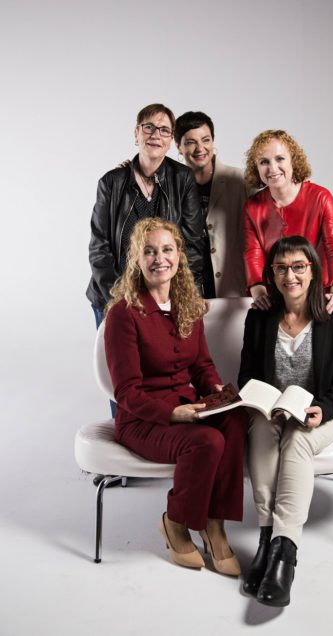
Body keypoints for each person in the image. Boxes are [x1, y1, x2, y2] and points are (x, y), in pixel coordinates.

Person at [238, 235, 333, 607]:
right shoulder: (259, 317)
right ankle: (266, 539)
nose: (290, 276)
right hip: (275, 410)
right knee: (262, 432)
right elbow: (247, 377)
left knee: (298, 438)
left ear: (314, 271)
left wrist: (323, 410)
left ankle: (284, 553)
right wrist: (260, 402)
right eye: (281, 268)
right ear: (272, 273)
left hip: (321, 414)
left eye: (299, 267)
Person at [104, 218, 248, 575]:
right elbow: (126, 393)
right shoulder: (124, 314)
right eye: (149, 251)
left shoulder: (187, 304)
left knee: (236, 420)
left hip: (188, 408)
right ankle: (176, 522)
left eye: (167, 249)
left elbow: (201, 365)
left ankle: (215, 525)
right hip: (142, 420)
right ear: (137, 259)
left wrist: (215, 389)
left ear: (179, 255)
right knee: (206, 442)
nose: (159, 259)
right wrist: (173, 415)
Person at [86, 103, 204, 328]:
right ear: (136, 133)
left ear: (170, 140)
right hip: (113, 296)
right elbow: (99, 249)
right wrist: (120, 298)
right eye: (148, 127)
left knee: (162, 362)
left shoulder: (183, 179)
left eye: (164, 130)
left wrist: (185, 295)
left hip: (165, 298)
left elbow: (192, 244)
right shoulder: (111, 182)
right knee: (117, 362)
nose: (155, 135)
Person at [243, 129, 333, 314]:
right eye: (264, 162)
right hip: (275, 295)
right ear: (256, 168)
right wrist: (258, 291)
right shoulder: (253, 206)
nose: (272, 168)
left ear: (293, 160)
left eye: (280, 159)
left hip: (318, 292)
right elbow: (253, 252)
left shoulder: (321, 197)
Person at [174, 111, 247, 298]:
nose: (200, 148)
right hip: (187, 287)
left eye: (205, 140)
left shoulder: (240, 180)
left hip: (232, 286)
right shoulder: (171, 185)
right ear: (178, 147)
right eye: (191, 142)